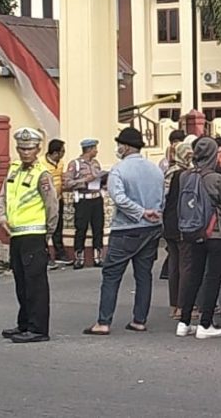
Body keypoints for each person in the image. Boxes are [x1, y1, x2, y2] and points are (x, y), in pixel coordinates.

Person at [83, 127, 163, 336]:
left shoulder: (119, 170)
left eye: (120, 144)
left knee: (111, 275)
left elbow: (118, 198)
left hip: (127, 228)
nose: (118, 148)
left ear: (126, 147)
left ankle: (104, 321)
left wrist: (140, 212)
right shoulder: (155, 169)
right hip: (152, 228)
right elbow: (162, 196)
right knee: (143, 275)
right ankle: (139, 320)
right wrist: (151, 213)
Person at [0, 128, 58, 344]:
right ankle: (24, 324)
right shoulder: (14, 169)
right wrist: (2, 217)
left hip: (34, 234)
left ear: (38, 149)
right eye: (21, 148)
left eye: (29, 148)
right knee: (21, 283)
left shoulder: (42, 174)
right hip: (16, 234)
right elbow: (4, 195)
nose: (25, 152)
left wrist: (48, 233)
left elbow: (52, 206)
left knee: (35, 285)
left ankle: (38, 328)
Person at [174, 137, 221, 339]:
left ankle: (184, 321)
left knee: (194, 275)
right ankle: (205, 323)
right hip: (216, 232)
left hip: (193, 230)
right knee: (213, 277)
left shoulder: (185, 176)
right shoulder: (217, 179)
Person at [162, 139, 194, 321]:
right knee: (185, 265)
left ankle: (173, 305)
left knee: (174, 265)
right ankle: (182, 306)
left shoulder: (169, 173)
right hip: (182, 223)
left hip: (169, 223)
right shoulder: (185, 175)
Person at [64, 139, 105, 269]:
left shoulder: (96, 163)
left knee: (98, 228)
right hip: (83, 199)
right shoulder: (75, 164)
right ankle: (79, 258)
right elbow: (67, 182)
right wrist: (84, 180)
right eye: (95, 148)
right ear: (89, 149)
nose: (96, 151)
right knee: (81, 228)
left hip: (97, 198)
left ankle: (98, 256)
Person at [44, 139, 70, 264]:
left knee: (58, 227)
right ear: (55, 153)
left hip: (58, 199)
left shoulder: (60, 163)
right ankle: (46, 254)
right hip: (46, 202)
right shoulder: (41, 163)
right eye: (62, 151)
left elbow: (60, 179)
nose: (63, 154)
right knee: (46, 228)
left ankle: (60, 253)